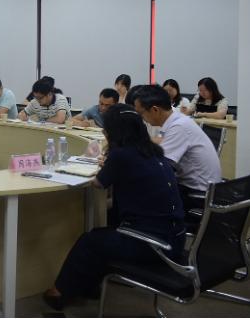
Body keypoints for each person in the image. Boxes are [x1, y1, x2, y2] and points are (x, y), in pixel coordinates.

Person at [43, 104, 185, 312]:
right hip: (176, 238)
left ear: (114, 131)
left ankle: (57, 292)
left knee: (88, 241)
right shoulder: (154, 152)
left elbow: (98, 184)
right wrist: (111, 166)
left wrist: (109, 166)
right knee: (100, 235)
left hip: (153, 244)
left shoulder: (122, 154)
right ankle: (89, 286)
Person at [133, 85, 223, 214]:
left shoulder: (179, 127)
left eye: (141, 113)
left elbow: (159, 166)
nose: (142, 118)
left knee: (139, 192)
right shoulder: (179, 121)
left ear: (155, 110)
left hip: (198, 195)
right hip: (199, 188)